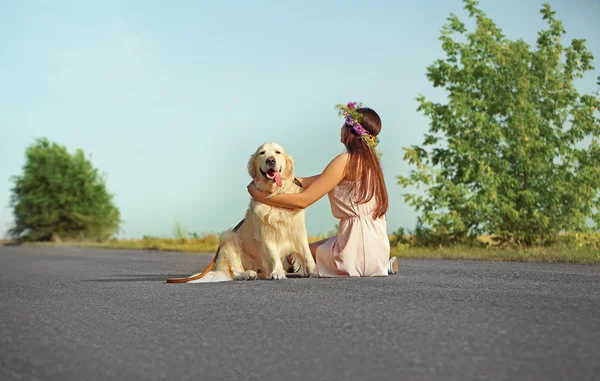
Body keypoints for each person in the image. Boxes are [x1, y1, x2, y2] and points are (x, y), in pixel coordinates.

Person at [247, 101, 398, 277]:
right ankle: (379, 265)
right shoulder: (370, 163)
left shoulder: (344, 161)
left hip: (356, 249)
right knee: (319, 245)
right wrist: (281, 178)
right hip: (377, 244)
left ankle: (292, 264)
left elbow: (303, 201)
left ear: (350, 131)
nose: (341, 128)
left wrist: (260, 195)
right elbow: (309, 181)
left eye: (345, 124)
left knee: (295, 253)